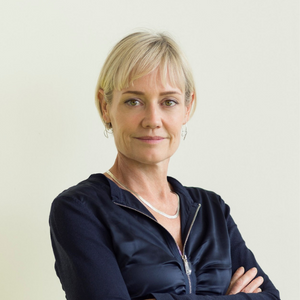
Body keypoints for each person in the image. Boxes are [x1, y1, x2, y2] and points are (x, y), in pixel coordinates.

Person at [49, 31, 280, 300]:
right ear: (105, 106)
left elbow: (271, 297)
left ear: (187, 107)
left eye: (168, 101)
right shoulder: (80, 210)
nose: (152, 119)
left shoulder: (212, 209)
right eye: (133, 101)